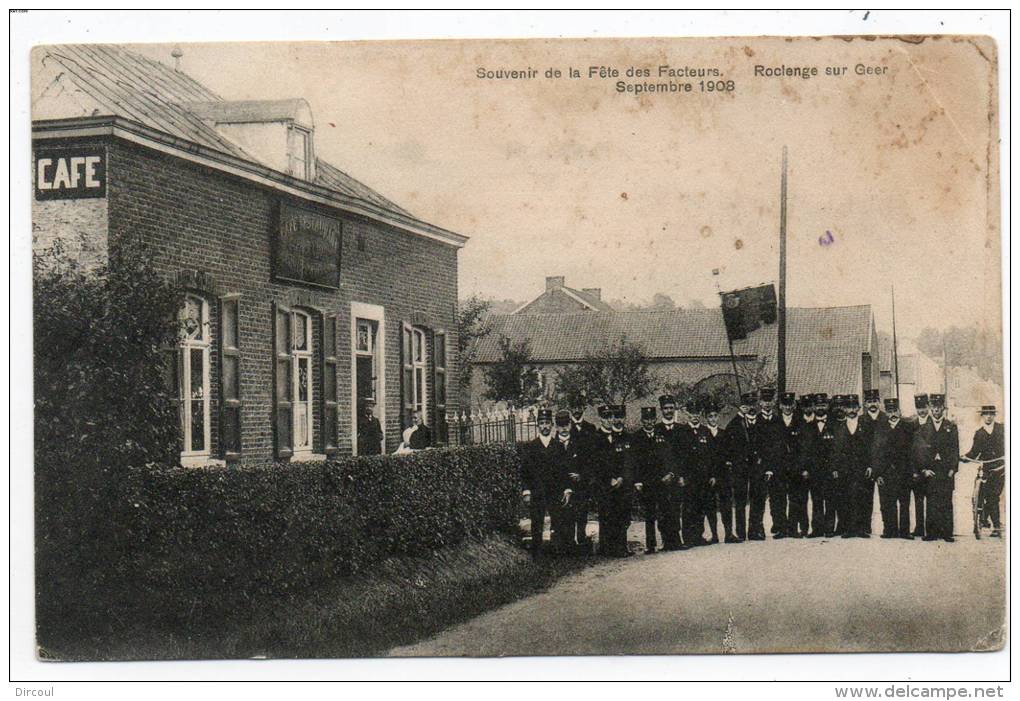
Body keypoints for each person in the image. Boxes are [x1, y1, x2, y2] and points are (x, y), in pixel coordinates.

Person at [520, 408, 572, 556]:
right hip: (537, 492)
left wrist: (567, 489)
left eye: (547, 423)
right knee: (537, 522)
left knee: (557, 521)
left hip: (554, 491)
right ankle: (537, 553)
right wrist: (526, 491)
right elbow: (525, 472)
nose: (545, 426)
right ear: (538, 425)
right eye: (542, 423)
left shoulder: (558, 446)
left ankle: (557, 552)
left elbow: (564, 471)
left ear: (551, 425)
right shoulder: (530, 447)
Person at [631, 406, 678, 553]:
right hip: (647, 481)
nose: (649, 422)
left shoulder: (661, 434)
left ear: (655, 420)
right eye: (646, 419)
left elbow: (669, 456)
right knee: (650, 513)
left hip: (662, 480)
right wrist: (637, 481)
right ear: (642, 421)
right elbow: (634, 462)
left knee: (665, 511)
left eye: (652, 419)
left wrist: (670, 473)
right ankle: (651, 545)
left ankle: (668, 542)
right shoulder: (637, 437)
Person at [914, 393, 959, 542]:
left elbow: (955, 449)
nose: (936, 410)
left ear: (943, 408)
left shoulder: (951, 427)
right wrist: (923, 469)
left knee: (946, 501)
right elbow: (919, 451)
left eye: (939, 407)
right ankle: (931, 532)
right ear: (930, 408)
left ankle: (947, 533)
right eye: (933, 407)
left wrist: (953, 468)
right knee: (931, 501)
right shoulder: (923, 428)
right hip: (930, 470)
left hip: (946, 471)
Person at [589, 404, 634, 557]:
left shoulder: (618, 437)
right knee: (605, 514)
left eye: (611, 417)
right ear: (600, 419)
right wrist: (609, 479)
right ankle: (606, 548)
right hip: (604, 484)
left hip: (619, 483)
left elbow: (623, 460)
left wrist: (620, 477)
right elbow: (595, 464)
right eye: (605, 417)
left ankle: (620, 547)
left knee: (619, 514)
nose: (609, 420)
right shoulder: (595, 438)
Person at [873, 398, 914, 538]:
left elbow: (912, 452)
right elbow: (875, 452)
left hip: (903, 473)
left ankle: (904, 531)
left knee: (904, 503)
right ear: (886, 413)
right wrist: (877, 474)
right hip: (886, 473)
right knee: (887, 503)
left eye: (895, 410)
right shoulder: (880, 429)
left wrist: (911, 472)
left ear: (899, 411)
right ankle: (889, 530)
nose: (892, 414)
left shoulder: (908, 428)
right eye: (889, 411)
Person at [834, 394, 873, 538]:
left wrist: (870, 466)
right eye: (848, 407)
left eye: (854, 407)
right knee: (846, 497)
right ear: (844, 409)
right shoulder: (838, 426)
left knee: (862, 496)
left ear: (858, 408)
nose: (851, 410)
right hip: (845, 468)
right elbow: (835, 450)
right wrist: (836, 468)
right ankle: (848, 529)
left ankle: (861, 528)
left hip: (861, 467)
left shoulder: (866, 425)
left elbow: (871, 447)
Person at [963, 405, 1005, 537]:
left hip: (1000, 468)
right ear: (982, 416)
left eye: (991, 414)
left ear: (994, 415)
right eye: (986, 414)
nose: (988, 416)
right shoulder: (979, 433)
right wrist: (965, 457)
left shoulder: (1002, 429)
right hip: (986, 468)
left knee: (993, 497)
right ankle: (981, 517)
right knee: (981, 493)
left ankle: (996, 527)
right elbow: (974, 452)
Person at [725, 391, 761, 542]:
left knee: (756, 497)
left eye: (753, 404)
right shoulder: (735, 423)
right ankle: (741, 532)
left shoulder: (760, 422)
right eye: (747, 405)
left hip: (756, 466)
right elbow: (728, 441)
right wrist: (740, 414)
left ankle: (754, 530)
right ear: (742, 406)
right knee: (740, 499)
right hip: (741, 467)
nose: (751, 408)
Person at [801, 393, 837, 538]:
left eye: (823, 405)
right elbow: (804, 450)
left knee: (830, 499)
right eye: (817, 405)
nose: (820, 408)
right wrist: (805, 468)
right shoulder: (808, 427)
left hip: (829, 470)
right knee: (816, 500)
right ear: (814, 407)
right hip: (814, 470)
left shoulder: (834, 425)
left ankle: (829, 528)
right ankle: (817, 529)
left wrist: (835, 468)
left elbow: (837, 450)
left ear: (827, 406)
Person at [552, 409, 588, 550]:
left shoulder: (579, 443)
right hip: (560, 488)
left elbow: (588, 463)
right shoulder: (552, 444)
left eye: (566, 425)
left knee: (580, 515)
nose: (564, 429)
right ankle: (564, 545)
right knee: (562, 517)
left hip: (579, 487)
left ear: (571, 425)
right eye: (561, 426)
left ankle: (580, 542)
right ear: (556, 427)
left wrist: (581, 475)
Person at [703, 400, 737, 543]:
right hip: (709, 477)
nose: (713, 419)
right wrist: (710, 475)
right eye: (710, 416)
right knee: (710, 505)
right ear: (706, 418)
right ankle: (714, 535)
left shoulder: (724, 433)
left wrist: (729, 463)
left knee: (726, 504)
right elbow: (703, 458)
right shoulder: (702, 434)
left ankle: (729, 533)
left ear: (718, 417)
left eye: (715, 416)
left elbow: (729, 453)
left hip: (723, 475)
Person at [757, 388, 787, 539]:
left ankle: (780, 526)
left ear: (773, 402)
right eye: (764, 401)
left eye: (769, 401)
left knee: (778, 497)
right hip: (760, 466)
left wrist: (773, 467)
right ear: (760, 402)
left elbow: (781, 446)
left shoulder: (778, 420)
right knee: (759, 498)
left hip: (776, 466)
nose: (767, 404)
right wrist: (764, 467)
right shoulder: (755, 421)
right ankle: (758, 528)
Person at [681, 401, 712, 546]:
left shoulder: (705, 431)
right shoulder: (681, 431)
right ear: (687, 414)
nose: (694, 416)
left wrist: (711, 475)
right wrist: (681, 476)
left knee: (701, 506)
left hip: (703, 476)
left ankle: (698, 535)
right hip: (688, 477)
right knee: (688, 507)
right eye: (692, 413)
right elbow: (677, 455)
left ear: (700, 414)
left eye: (697, 413)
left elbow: (711, 456)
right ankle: (688, 537)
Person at [567, 403, 597, 548]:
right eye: (574, 407)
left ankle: (581, 537)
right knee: (570, 508)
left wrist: (584, 475)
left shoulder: (590, 429)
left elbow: (593, 456)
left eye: (579, 407)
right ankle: (571, 541)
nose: (577, 410)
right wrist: (571, 474)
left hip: (584, 477)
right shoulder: (565, 427)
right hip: (570, 477)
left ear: (583, 408)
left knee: (583, 508)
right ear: (570, 408)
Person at [786, 395, 814, 537]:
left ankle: (807, 527)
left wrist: (809, 469)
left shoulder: (818, 422)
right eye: (805, 406)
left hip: (814, 469)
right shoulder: (796, 423)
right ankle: (793, 528)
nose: (807, 408)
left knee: (810, 499)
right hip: (798, 469)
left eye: (810, 405)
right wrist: (801, 468)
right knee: (796, 499)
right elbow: (794, 449)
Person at [859, 389, 885, 534]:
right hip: (867, 466)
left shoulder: (886, 419)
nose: (872, 404)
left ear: (879, 402)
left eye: (875, 401)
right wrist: (867, 465)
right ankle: (865, 526)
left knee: (885, 498)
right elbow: (860, 447)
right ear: (865, 404)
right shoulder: (861, 420)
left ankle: (888, 527)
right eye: (869, 402)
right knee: (865, 497)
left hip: (882, 466)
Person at [910, 394, 931, 538]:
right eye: (919, 408)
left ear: (928, 407)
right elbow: (908, 450)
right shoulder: (911, 425)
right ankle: (919, 527)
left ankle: (931, 529)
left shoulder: (933, 424)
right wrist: (913, 470)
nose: (921, 411)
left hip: (931, 469)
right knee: (918, 500)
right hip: (916, 469)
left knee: (931, 500)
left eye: (923, 407)